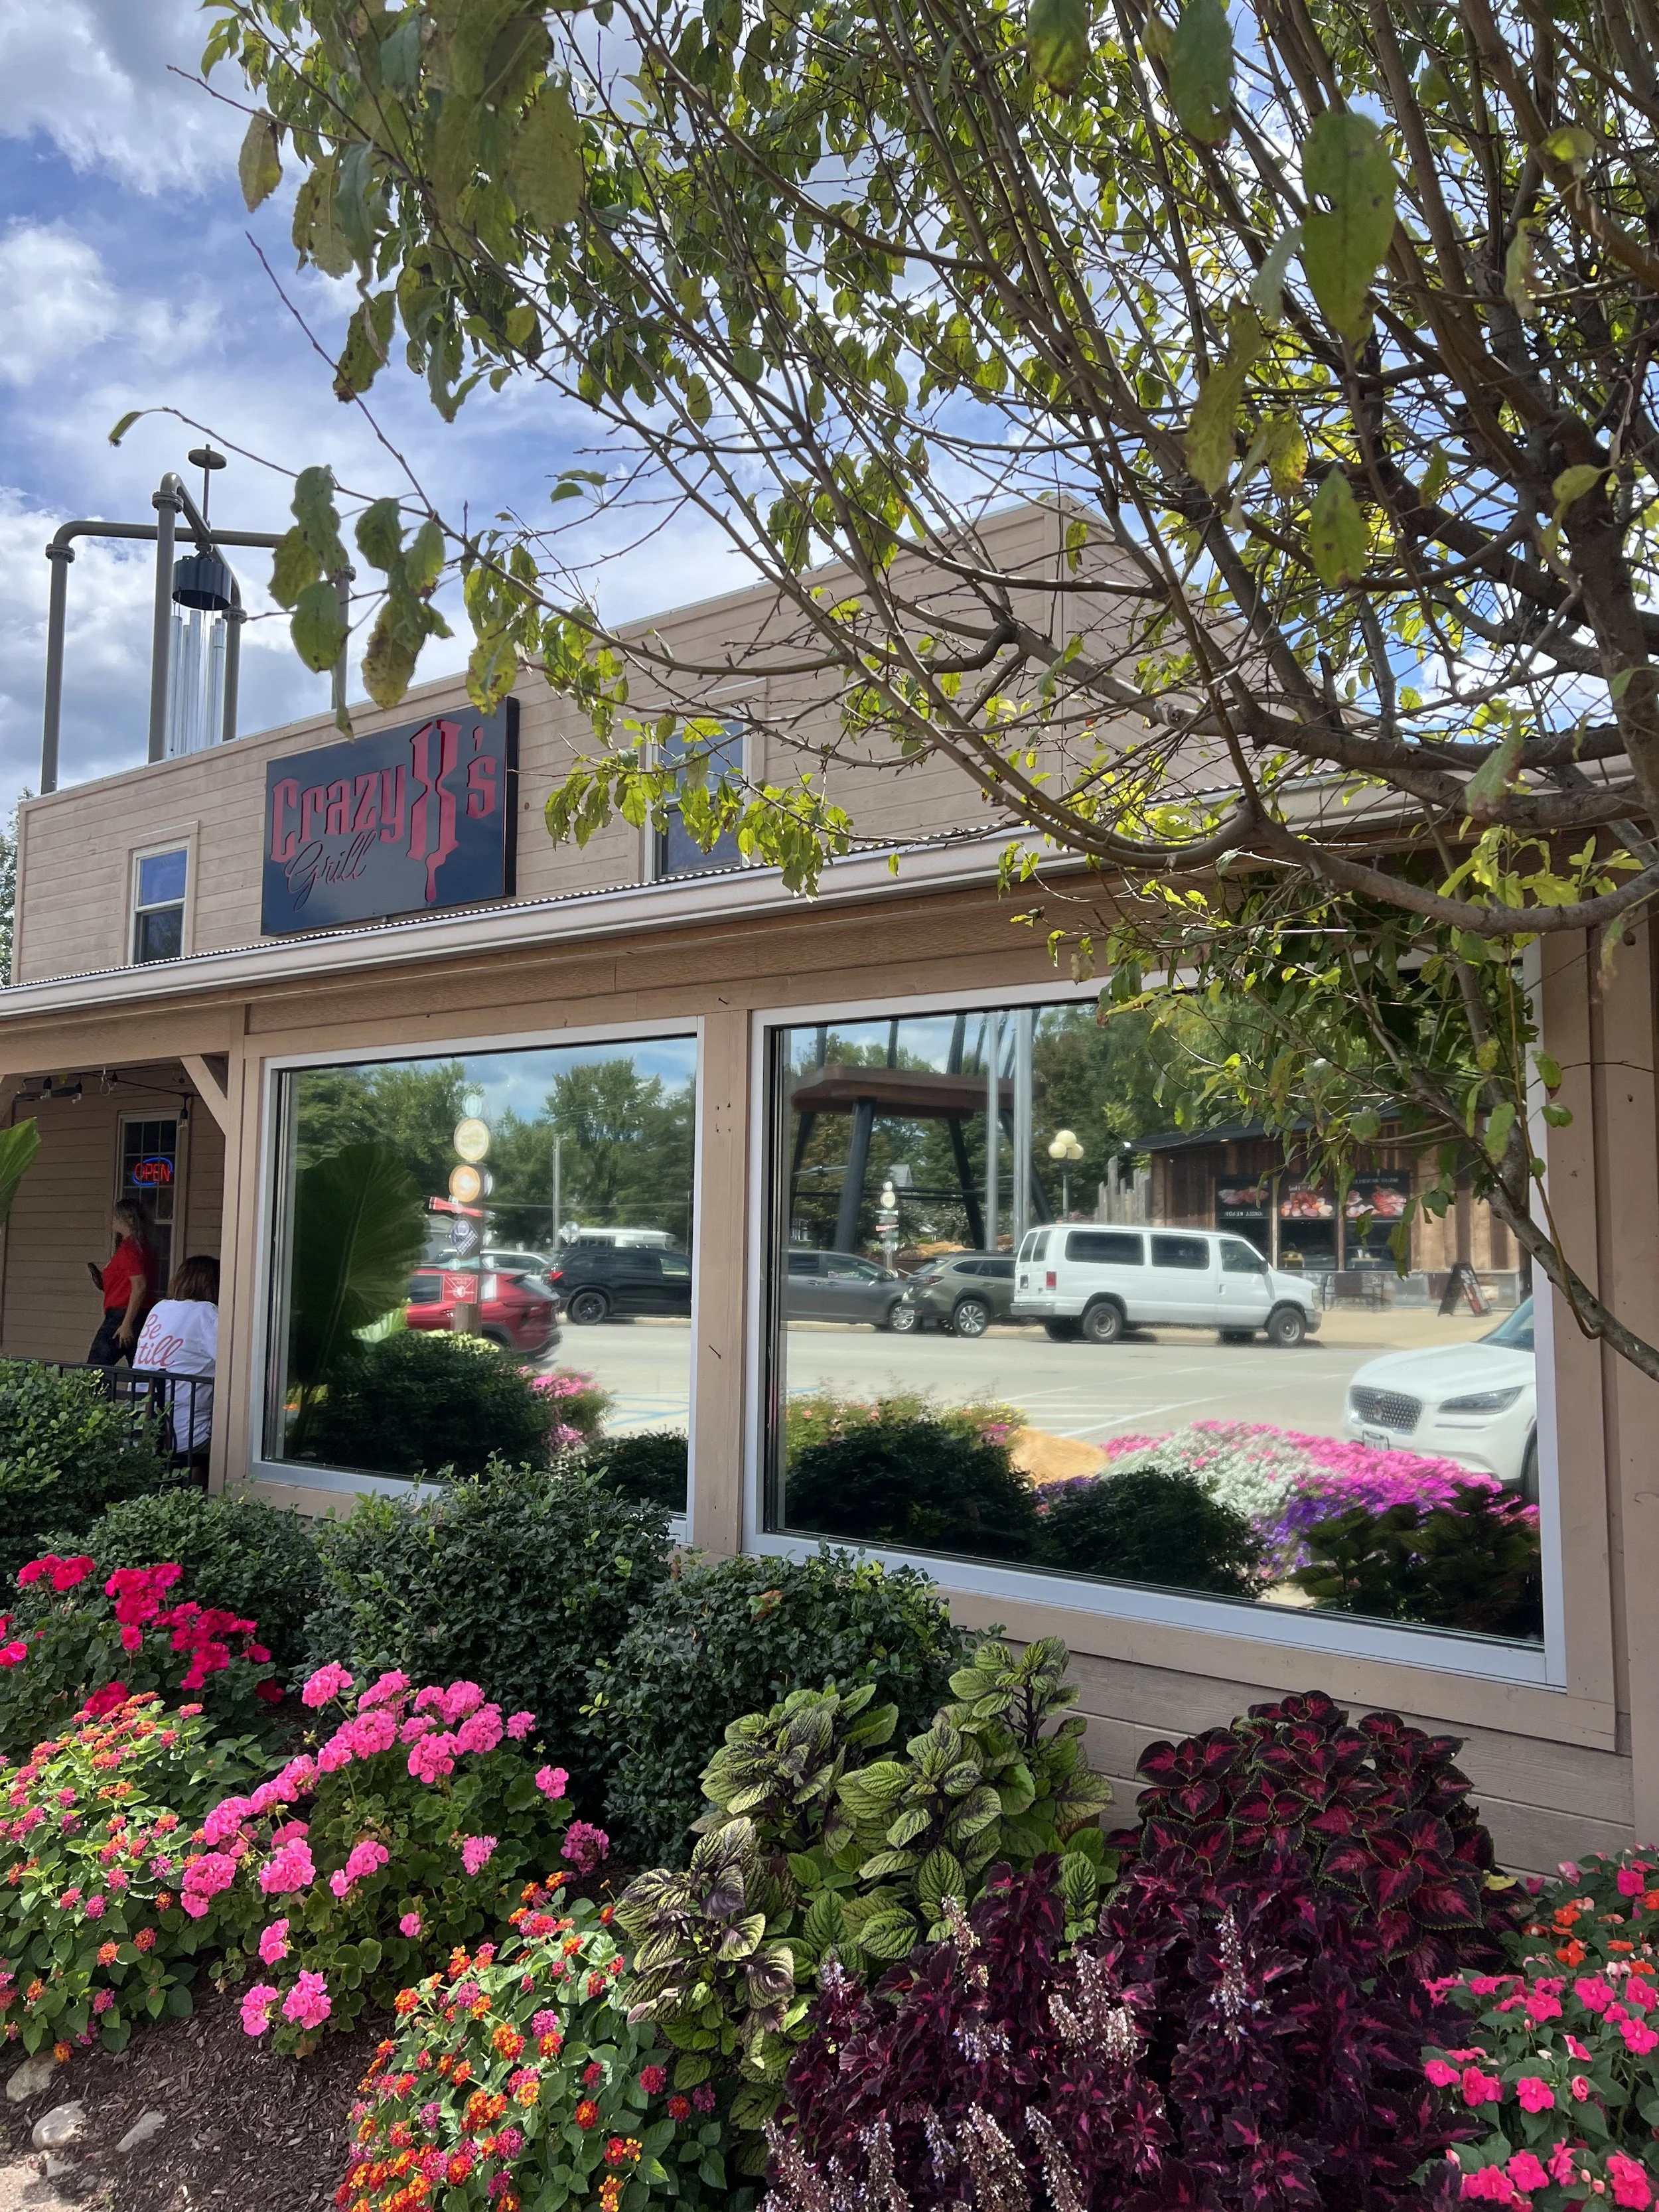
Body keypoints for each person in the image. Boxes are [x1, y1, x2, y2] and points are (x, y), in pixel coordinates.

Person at [133, 1255, 219, 1469]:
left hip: (137, 1431)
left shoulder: (160, 1309)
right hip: (184, 1435)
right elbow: (235, 1365)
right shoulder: (207, 1314)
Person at [87, 1201, 157, 1366]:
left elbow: (139, 1286)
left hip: (123, 1315)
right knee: (140, 1370)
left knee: (95, 1371)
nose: (113, 1221)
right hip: (141, 1315)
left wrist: (126, 1324)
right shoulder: (142, 1247)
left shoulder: (130, 1249)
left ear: (129, 1220)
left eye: (117, 1217)